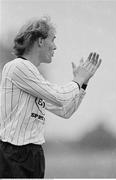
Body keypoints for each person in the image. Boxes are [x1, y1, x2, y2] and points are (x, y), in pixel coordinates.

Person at [0, 16, 102, 178]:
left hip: (33, 154)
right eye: (53, 40)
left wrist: (83, 84)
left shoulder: (34, 76)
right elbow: (60, 97)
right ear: (40, 41)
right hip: (15, 153)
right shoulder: (17, 67)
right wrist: (78, 80)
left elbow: (65, 111)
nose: (55, 47)